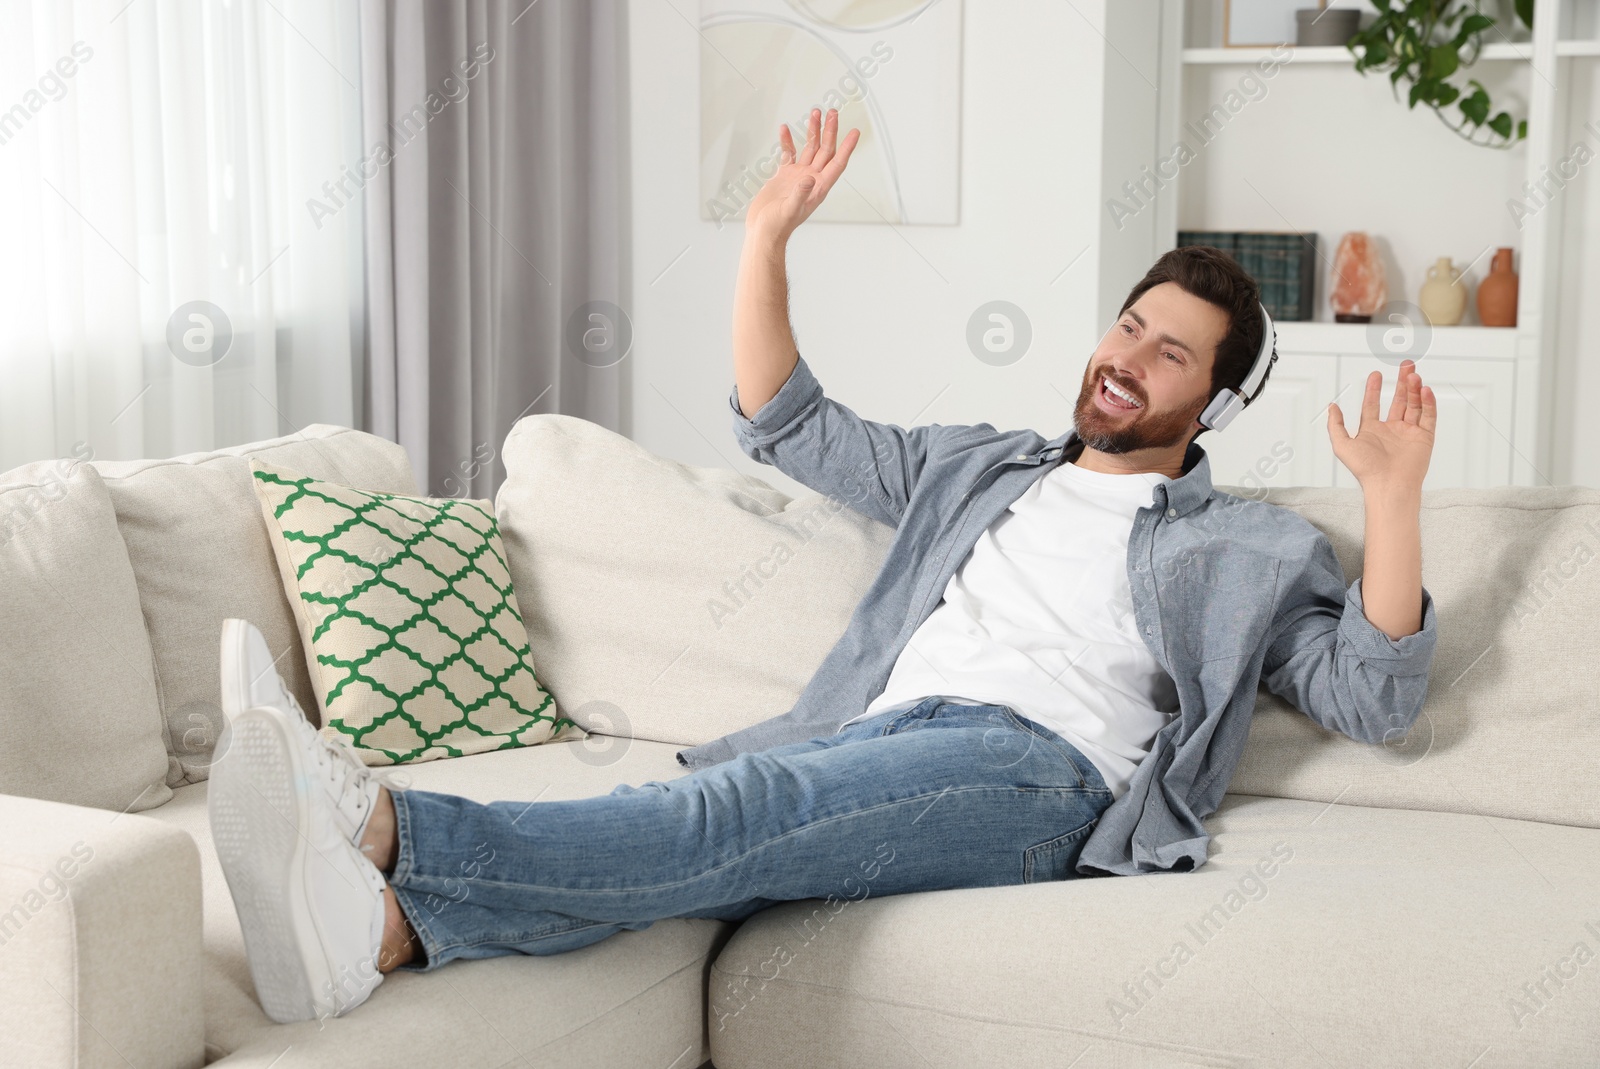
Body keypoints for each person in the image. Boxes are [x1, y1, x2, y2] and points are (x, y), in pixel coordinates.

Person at [210, 107, 1440, 1024]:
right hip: (883, 733)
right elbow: (786, 421)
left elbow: (1372, 693)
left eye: (1172, 356)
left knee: (742, 809)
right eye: (1128, 324)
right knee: (689, 835)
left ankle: (372, 815)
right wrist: (764, 239)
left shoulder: (1250, 547)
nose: (1129, 359)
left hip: (1038, 774)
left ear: (1214, 403)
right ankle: (365, 938)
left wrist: (1392, 498)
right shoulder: (979, 466)